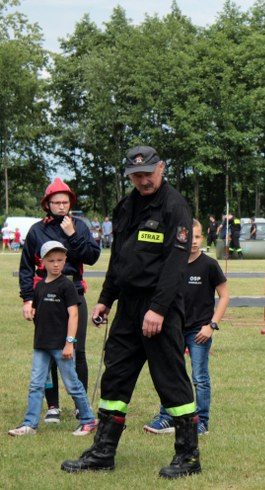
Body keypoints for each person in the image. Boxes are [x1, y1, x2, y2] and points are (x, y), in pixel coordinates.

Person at [61, 145, 200, 479]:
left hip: (160, 307)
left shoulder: (175, 207)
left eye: (147, 173)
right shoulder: (125, 206)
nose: (143, 180)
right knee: (116, 376)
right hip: (127, 307)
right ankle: (102, 452)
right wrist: (106, 299)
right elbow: (119, 258)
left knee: (170, 379)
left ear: (161, 168)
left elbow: (176, 263)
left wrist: (158, 309)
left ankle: (188, 457)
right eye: (136, 175)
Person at [19, 177, 101, 425]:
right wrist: (27, 299)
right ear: (47, 204)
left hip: (73, 292)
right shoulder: (37, 230)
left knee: (78, 351)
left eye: (65, 202)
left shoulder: (80, 226)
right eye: (56, 202)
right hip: (45, 297)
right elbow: (26, 267)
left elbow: (92, 257)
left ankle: (80, 405)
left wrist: (72, 234)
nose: (62, 206)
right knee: (48, 349)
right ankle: (52, 406)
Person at [145, 219, 229, 436]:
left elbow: (224, 296)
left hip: (199, 331)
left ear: (203, 238)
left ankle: (202, 422)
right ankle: (167, 417)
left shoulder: (209, 265)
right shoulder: (172, 264)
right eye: (190, 237)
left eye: (198, 237)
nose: (194, 241)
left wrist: (212, 325)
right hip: (173, 328)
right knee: (170, 374)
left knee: (199, 378)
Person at [8, 241, 97, 437]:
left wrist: (69, 343)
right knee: (36, 385)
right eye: (51, 260)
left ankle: (88, 420)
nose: (56, 264)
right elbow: (40, 311)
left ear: (65, 260)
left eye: (60, 260)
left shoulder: (67, 285)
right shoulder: (39, 286)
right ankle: (30, 424)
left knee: (72, 384)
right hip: (41, 345)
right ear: (42, 262)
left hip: (61, 346)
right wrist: (31, 312)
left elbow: (74, 315)